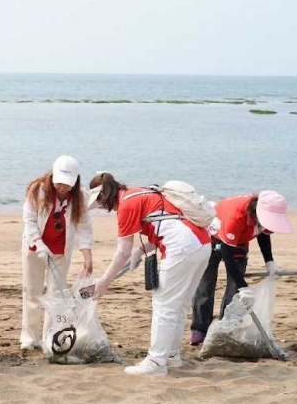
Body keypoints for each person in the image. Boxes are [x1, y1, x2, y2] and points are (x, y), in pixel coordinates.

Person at [90, 172, 212, 376]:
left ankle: (156, 362)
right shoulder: (141, 192)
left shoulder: (126, 205)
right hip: (201, 243)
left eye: (99, 202)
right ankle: (172, 356)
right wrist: (142, 250)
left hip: (181, 248)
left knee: (164, 305)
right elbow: (169, 222)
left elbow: (122, 251)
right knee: (179, 304)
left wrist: (104, 281)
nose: (102, 207)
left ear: (104, 195)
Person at [190, 191, 294, 345]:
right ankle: (200, 329)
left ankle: (224, 329)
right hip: (211, 238)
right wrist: (244, 287)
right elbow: (227, 255)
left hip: (240, 241)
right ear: (257, 212)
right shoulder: (236, 217)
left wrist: (269, 261)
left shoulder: (262, 218)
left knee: (234, 292)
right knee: (205, 286)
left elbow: (263, 234)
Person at [20, 156, 94, 351]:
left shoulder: (81, 197)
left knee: (56, 296)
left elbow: (84, 228)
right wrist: (38, 243)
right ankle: (29, 338)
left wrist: (87, 257)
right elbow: (29, 221)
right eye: (60, 182)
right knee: (32, 292)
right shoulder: (37, 190)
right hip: (34, 248)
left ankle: (48, 338)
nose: (63, 187)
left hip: (61, 250)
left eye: (68, 184)